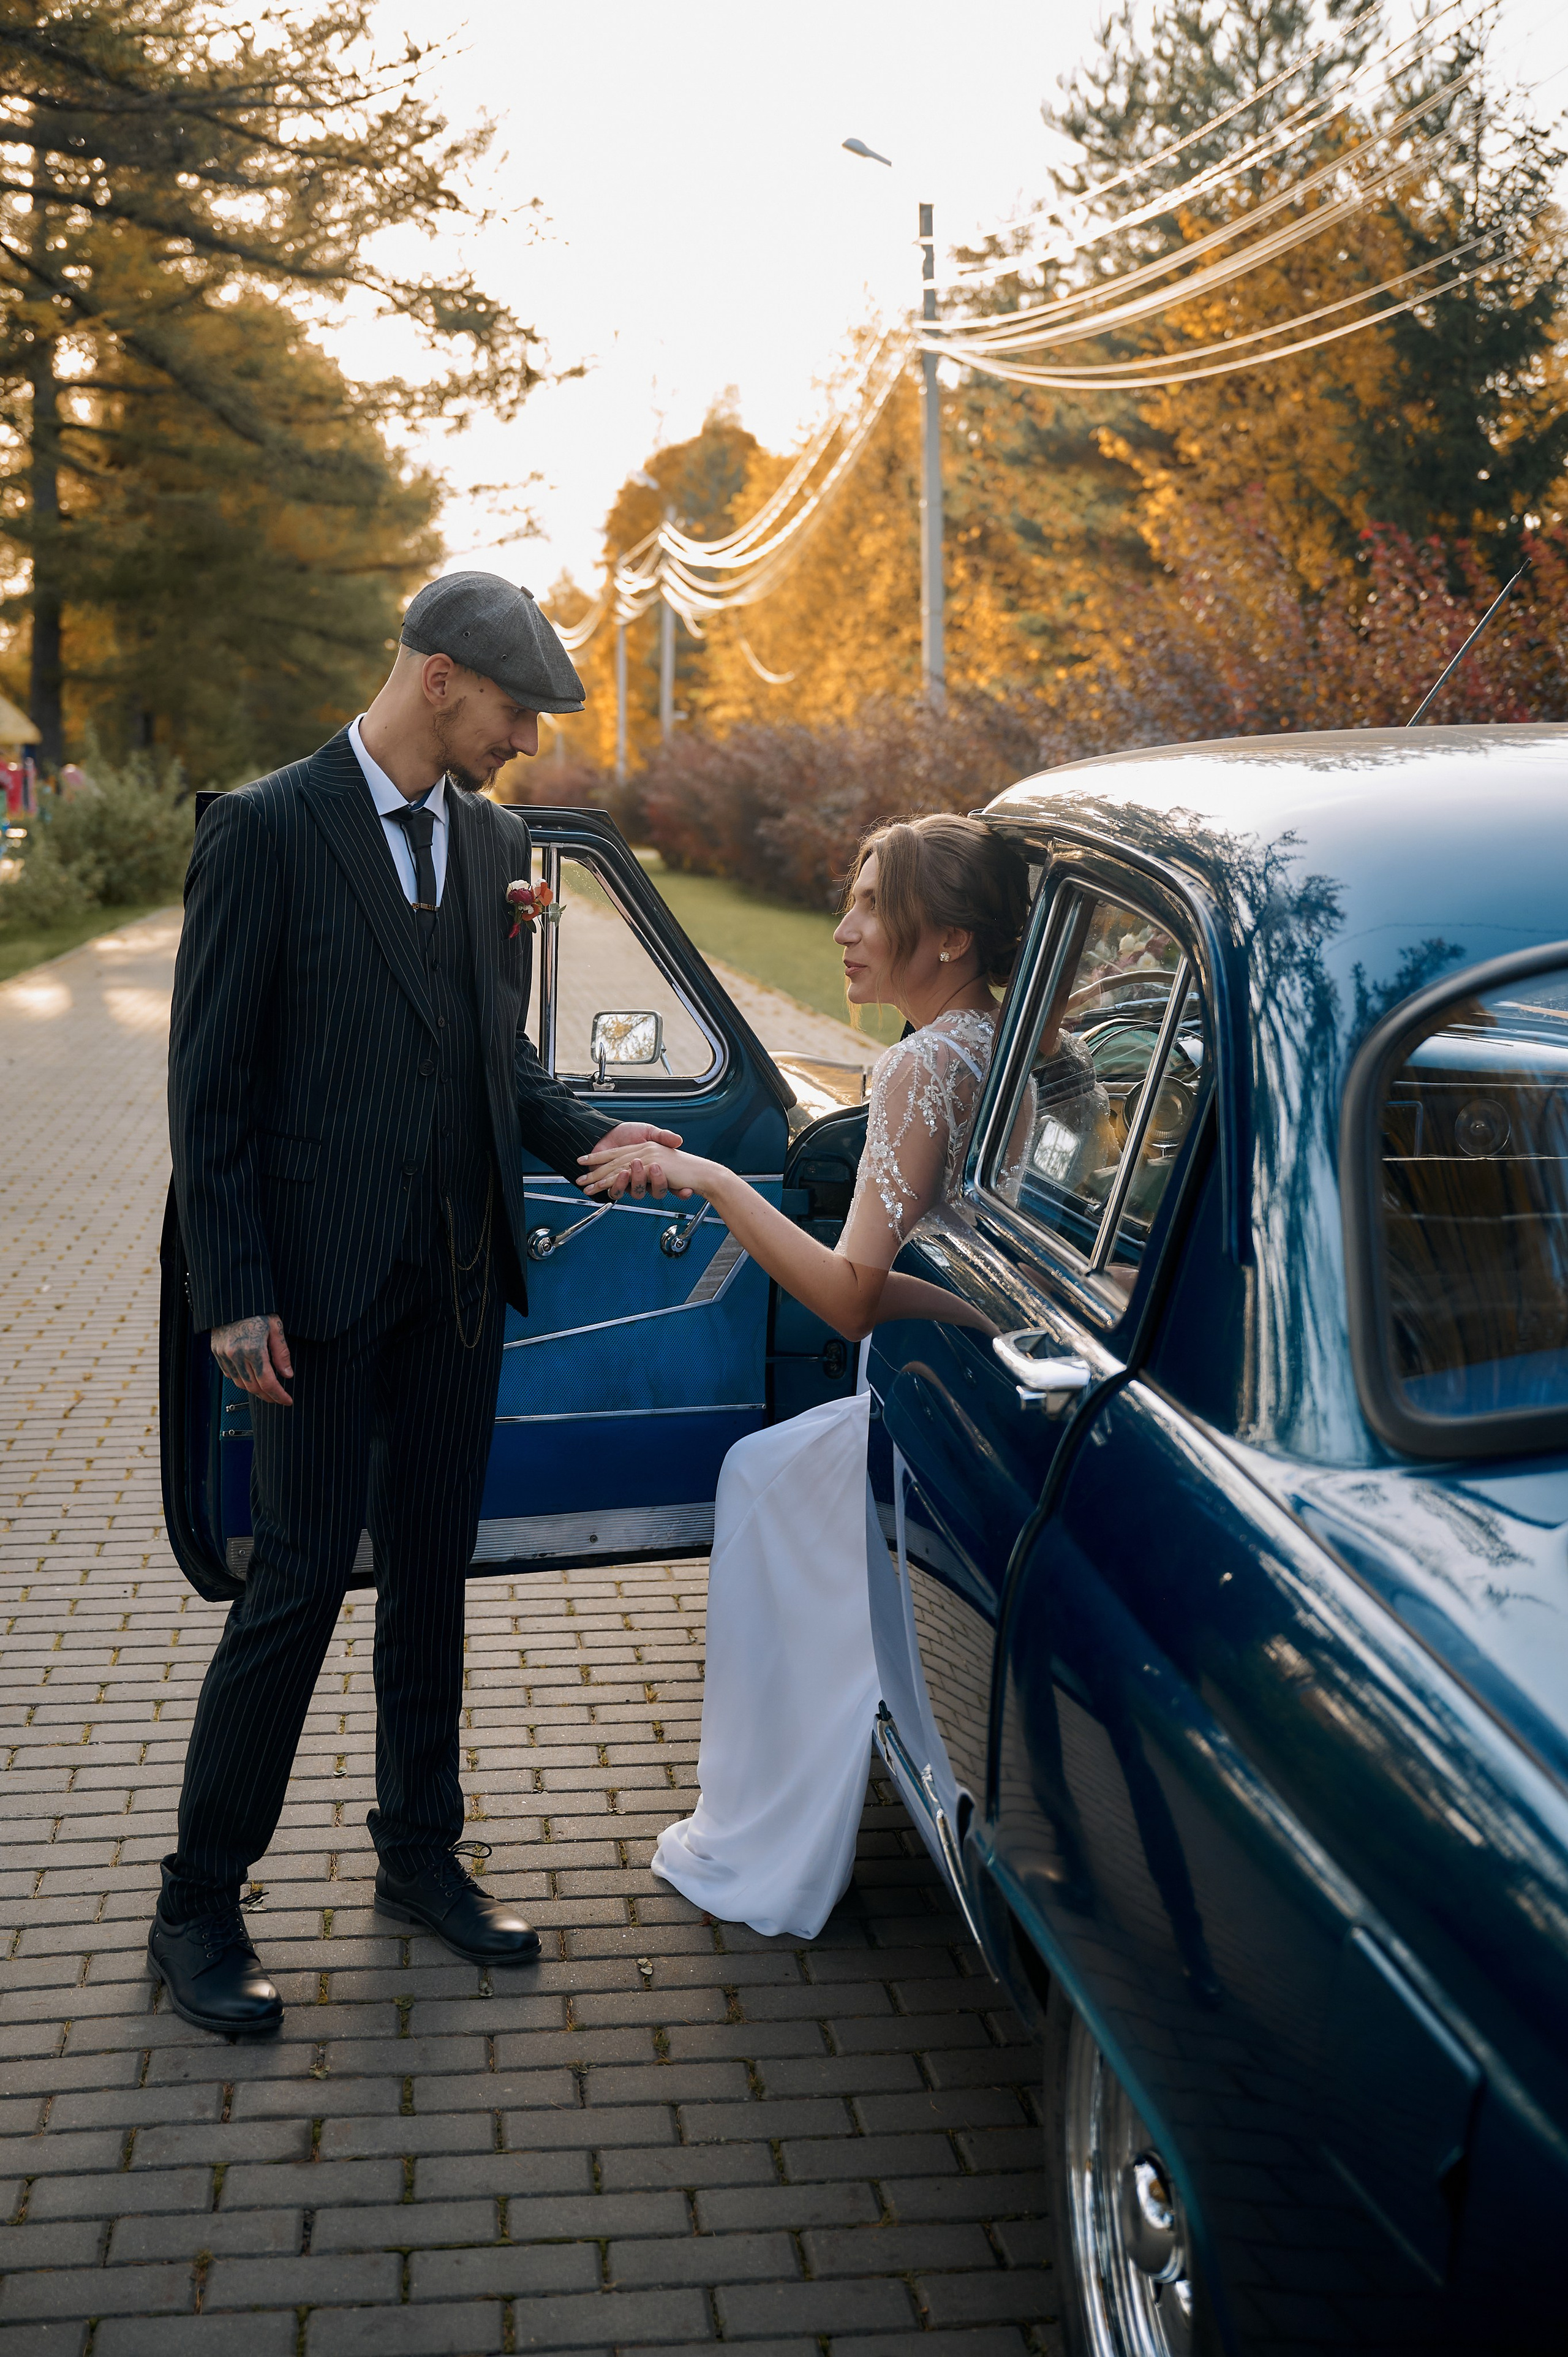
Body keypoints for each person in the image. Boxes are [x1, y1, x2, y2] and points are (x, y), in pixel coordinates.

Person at [156, 573, 681, 2037]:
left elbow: (488, 1064)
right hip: (312, 1304)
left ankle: (418, 1856)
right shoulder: (264, 830)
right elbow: (212, 1092)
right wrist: (235, 1292)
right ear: (441, 678)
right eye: (519, 708)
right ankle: (195, 1900)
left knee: (434, 1580)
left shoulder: (495, 838)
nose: (529, 739)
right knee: (299, 1583)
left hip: (456, 1284)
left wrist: (591, 1137)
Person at [578, 814, 1030, 1939]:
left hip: (927, 1402)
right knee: (769, 1473)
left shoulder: (925, 1064)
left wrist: (719, 1183)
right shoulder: (1013, 1042)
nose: (844, 927)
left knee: (761, 1479)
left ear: (953, 941)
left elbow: (847, 1297)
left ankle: (769, 1823)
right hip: (984, 1371)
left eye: (873, 905)